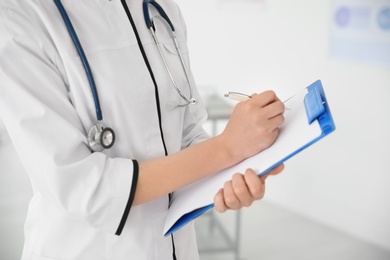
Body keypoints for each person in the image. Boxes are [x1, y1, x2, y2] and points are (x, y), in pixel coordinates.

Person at [0, 1, 285, 260]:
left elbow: (186, 134)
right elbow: (84, 188)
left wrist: (233, 171)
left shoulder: (161, 9)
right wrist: (228, 149)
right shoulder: (20, 18)